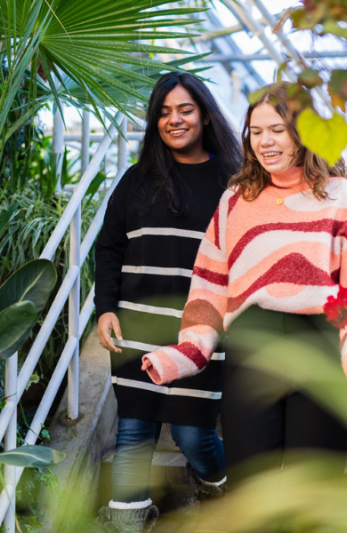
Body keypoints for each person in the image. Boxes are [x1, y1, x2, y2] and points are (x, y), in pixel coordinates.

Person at [140, 82, 347, 505]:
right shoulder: (236, 200)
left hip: (320, 343)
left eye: (277, 129)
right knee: (250, 488)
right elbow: (209, 284)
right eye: (256, 132)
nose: (265, 142)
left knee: (311, 489)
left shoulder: (342, 196)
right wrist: (187, 351)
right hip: (252, 346)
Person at [93, 72, 243, 532]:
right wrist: (106, 308)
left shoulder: (233, 182)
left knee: (193, 434)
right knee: (134, 432)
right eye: (163, 112)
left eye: (184, 109)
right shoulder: (137, 180)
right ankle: (128, 522)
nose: (173, 120)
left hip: (200, 331)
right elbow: (109, 246)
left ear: (204, 114)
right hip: (138, 327)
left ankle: (217, 488)